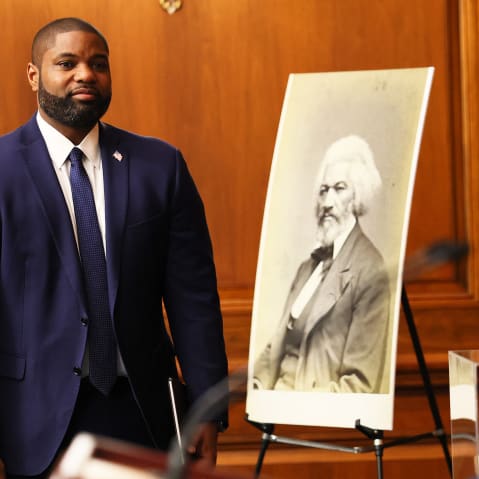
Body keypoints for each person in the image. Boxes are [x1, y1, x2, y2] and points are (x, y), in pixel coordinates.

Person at [0, 17, 228, 478]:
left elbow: (194, 297)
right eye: (67, 63)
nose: (86, 74)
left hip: (143, 411)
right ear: (33, 76)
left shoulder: (160, 166)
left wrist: (207, 405)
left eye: (98, 64)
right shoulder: (1, 168)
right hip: (31, 416)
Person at [253, 135, 391, 393]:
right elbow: (277, 344)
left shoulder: (370, 269)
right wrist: (257, 387)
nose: (327, 203)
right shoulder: (308, 267)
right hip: (276, 407)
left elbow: (359, 383)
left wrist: (302, 408)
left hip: (314, 416)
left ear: (358, 195)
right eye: (324, 190)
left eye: (340, 188)